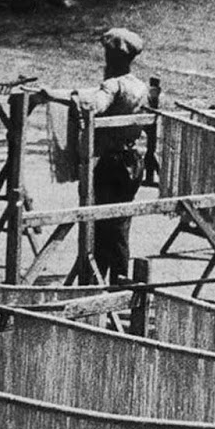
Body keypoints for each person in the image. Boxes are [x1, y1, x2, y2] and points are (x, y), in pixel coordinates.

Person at [74, 27, 150, 283]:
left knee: (100, 224)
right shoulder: (141, 87)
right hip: (133, 161)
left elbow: (93, 106)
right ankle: (118, 279)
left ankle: (95, 281)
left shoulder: (113, 85)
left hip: (112, 163)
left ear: (113, 58)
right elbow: (150, 124)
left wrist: (61, 96)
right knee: (119, 226)